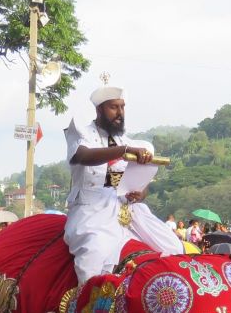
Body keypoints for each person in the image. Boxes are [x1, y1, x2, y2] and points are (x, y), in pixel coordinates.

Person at [63, 83, 183, 282]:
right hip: (91, 211)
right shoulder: (82, 134)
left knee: (173, 246)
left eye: (122, 107)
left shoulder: (131, 142)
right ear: (100, 109)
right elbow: (82, 156)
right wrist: (123, 151)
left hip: (128, 212)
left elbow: (136, 184)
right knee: (95, 252)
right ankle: (86, 304)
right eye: (114, 107)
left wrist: (140, 193)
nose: (120, 112)